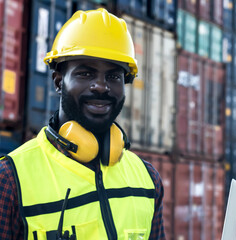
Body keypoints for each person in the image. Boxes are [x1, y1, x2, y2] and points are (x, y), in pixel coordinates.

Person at [0, 8, 165, 240]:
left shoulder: (148, 181)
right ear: (58, 82)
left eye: (113, 76)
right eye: (86, 74)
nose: (101, 86)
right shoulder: (10, 180)